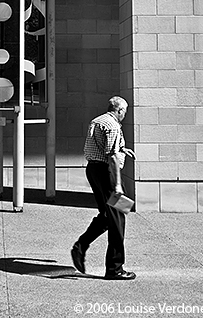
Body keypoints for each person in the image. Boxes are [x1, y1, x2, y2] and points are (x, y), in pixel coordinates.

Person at [71, 96, 136, 280]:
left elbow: (101, 146)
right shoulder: (113, 125)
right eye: (125, 112)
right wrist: (117, 186)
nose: (125, 115)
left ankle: (81, 246)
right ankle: (115, 269)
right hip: (107, 174)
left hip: (93, 170)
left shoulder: (98, 120)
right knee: (118, 218)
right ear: (120, 110)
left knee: (109, 215)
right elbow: (112, 157)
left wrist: (122, 149)